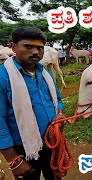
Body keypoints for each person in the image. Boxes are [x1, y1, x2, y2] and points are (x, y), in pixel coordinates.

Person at [0, 27, 64, 180]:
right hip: (23, 147)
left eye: (39, 48)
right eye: (28, 46)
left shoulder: (46, 74)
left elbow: (58, 100)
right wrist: (13, 160)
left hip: (52, 142)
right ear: (14, 47)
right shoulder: (3, 77)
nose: (35, 52)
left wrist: (59, 114)